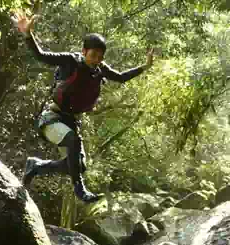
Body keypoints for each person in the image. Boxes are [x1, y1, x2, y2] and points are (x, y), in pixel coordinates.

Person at [14, 11, 153, 203]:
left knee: (78, 165)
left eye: (100, 57)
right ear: (84, 51)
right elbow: (41, 56)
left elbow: (120, 77)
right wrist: (28, 35)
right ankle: (79, 189)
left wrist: (145, 67)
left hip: (70, 122)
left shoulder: (100, 69)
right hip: (51, 118)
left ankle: (36, 166)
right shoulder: (70, 61)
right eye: (93, 55)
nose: (96, 60)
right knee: (72, 141)